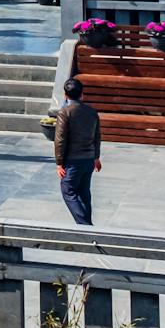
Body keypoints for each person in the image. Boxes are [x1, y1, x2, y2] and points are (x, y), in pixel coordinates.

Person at [53, 77, 102, 225]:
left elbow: (60, 139)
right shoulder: (92, 112)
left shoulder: (65, 113)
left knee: (68, 191)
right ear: (82, 94)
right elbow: (97, 136)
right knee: (84, 193)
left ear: (65, 95)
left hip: (73, 161)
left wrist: (59, 163)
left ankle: (86, 227)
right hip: (88, 160)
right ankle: (88, 227)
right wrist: (96, 157)